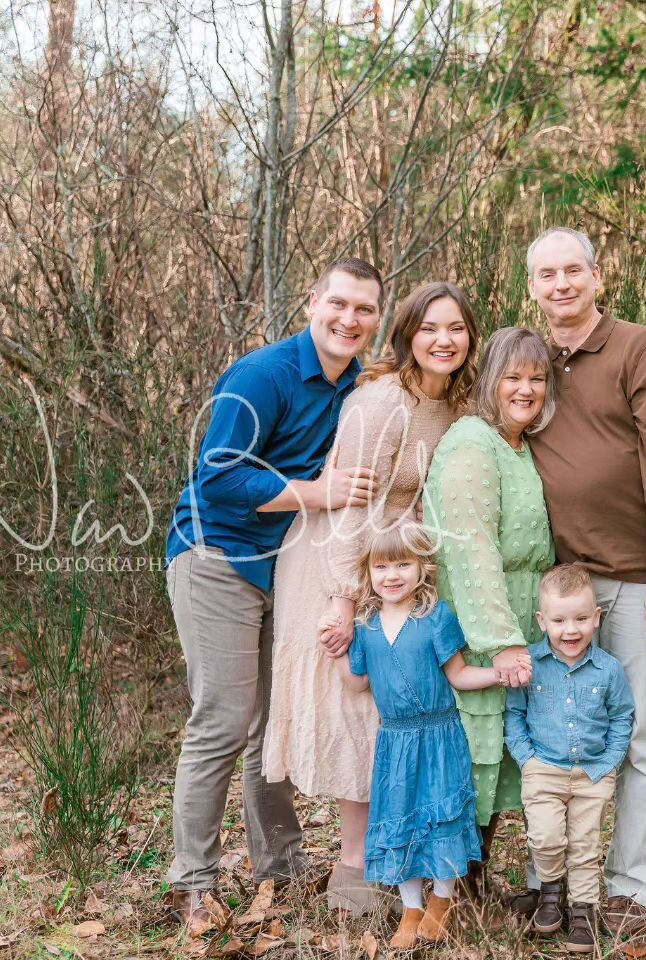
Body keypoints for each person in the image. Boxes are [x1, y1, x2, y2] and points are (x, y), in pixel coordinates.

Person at [162, 257, 380, 923]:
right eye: (338, 304)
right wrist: (316, 493)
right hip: (216, 554)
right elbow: (218, 473)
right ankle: (193, 879)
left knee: (271, 720)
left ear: (376, 320)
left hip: (285, 568)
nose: (348, 319)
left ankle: (279, 864)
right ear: (311, 302)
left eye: (364, 309)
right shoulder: (265, 374)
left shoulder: (360, 388)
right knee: (224, 718)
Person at [263, 282, 479, 913]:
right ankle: (355, 870)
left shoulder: (456, 404)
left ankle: (405, 857)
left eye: (457, 329)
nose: (444, 341)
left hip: (397, 566)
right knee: (361, 709)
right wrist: (341, 598)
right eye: (430, 329)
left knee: (402, 707)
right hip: (336, 561)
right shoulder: (382, 401)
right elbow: (349, 505)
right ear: (407, 335)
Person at [524, 227, 646, 932]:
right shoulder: (529, 359)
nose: (561, 284)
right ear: (532, 287)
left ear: (598, 277)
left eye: (572, 271)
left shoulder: (637, 348)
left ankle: (633, 884)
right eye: (546, 275)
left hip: (636, 577)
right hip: (565, 589)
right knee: (555, 735)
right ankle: (552, 880)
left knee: (644, 733)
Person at [330, 524, 529, 950]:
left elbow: (457, 674)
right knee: (400, 818)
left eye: (404, 563)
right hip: (395, 740)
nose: (393, 575)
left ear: (422, 568)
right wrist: (335, 653)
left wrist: (499, 673)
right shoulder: (365, 626)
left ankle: (442, 900)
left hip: (439, 735)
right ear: (368, 572)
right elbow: (357, 683)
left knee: (438, 819)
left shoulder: (436, 616)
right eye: (381, 566)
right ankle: (411, 908)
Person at [422, 327, 557, 894]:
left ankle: (470, 887)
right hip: (482, 620)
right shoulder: (473, 442)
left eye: (538, 378)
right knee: (470, 759)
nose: (526, 389)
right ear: (490, 381)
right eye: (514, 377)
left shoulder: (520, 443)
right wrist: (502, 640)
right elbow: (469, 546)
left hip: (523, 612)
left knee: (499, 759)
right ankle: (444, 891)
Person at [506, 563, 635, 953]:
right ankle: (550, 890)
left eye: (581, 618)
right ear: (542, 621)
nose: (571, 630)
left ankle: (584, 912)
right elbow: (514, 714)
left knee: (585, 844)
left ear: (597, 618)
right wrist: (527, 759)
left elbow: (621, 717)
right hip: (542, 769)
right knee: (545, 838)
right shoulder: (529, 664)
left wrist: (610, 763)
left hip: (592, 773)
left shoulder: (609, 670)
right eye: (559, 620)